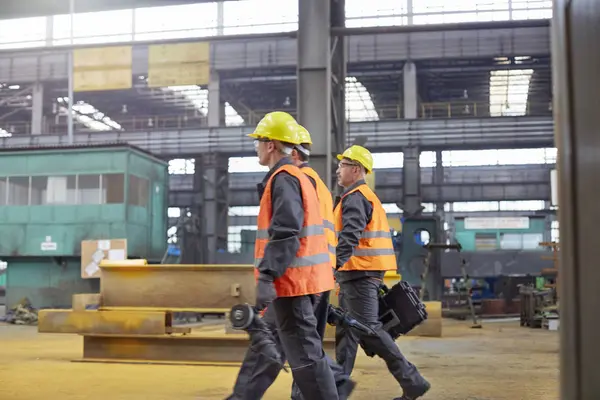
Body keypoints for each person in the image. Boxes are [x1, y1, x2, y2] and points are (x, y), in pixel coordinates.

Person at [226, 112, 353, 400]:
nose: (256, 146)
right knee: (295, 352)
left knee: (307, 359)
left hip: (294, 282)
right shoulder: (298, 178)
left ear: (271, 144)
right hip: (302, 281)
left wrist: (268, 275)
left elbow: (286, 230)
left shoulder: (284, 178)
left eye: (259, 141)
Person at [334, 145, 431, 400]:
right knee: (347, 332)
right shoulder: (359, 196)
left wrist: (330, 266)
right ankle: (335, 390)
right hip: (355, 274)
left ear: (355, 169)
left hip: (359, 274)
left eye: (342, 165)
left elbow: (349, 237)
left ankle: (412, 381)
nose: (337, 170)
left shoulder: (356, 197)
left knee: (369, 329)